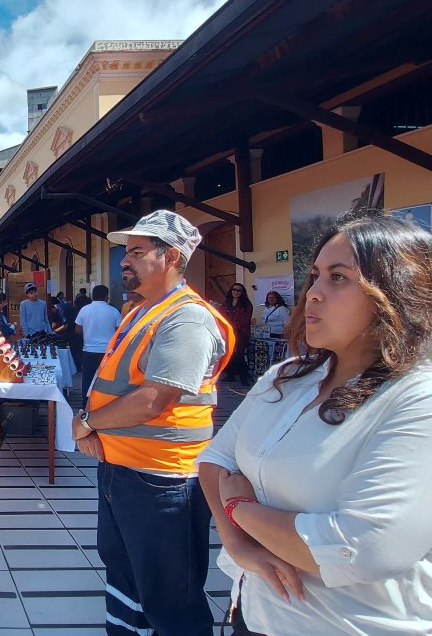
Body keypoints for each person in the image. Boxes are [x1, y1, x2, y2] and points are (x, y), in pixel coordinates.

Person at [197, 213, 432, 635]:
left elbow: (358, 550)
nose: (312, 293)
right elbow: (215, 461)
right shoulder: (288, 378)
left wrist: (240, 508)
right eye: (315, 276)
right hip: (257, 615)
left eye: (338, 277)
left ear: (401, 292)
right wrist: (239, 545)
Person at [71, 210, 235, 636]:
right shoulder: (141, 312)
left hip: (162, 480)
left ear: (172, 256)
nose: (125, 261)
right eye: (127, 252)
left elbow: (153, 399)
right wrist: (96, 429)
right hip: (124, 470)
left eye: (137, 252)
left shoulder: (187, 318)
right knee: (125, 573)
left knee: (170, 598)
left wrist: (88, 421)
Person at [74, 284, 121, 400]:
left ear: (92, 296)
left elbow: (77, 329)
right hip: (108, 352)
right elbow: (120, 330)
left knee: (88, 379)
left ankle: (86, 403)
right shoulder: (113, 311)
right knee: (107, 380)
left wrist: (89, 331)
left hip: (89, 350)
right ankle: (104, 402)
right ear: (106, 297)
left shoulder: (84, 310)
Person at [218, 283, 254, 385]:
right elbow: (221, 314)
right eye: (234, 289)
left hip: (241, 332)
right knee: (230, 354)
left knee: (239, 354)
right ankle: (230, 375)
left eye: (239, 290)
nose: (236, 292)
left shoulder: (246, 304)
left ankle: (244, 377)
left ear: (242, 293)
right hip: (228, 331)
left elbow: (246, 319)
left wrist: (232, 326)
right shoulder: (227, 303)